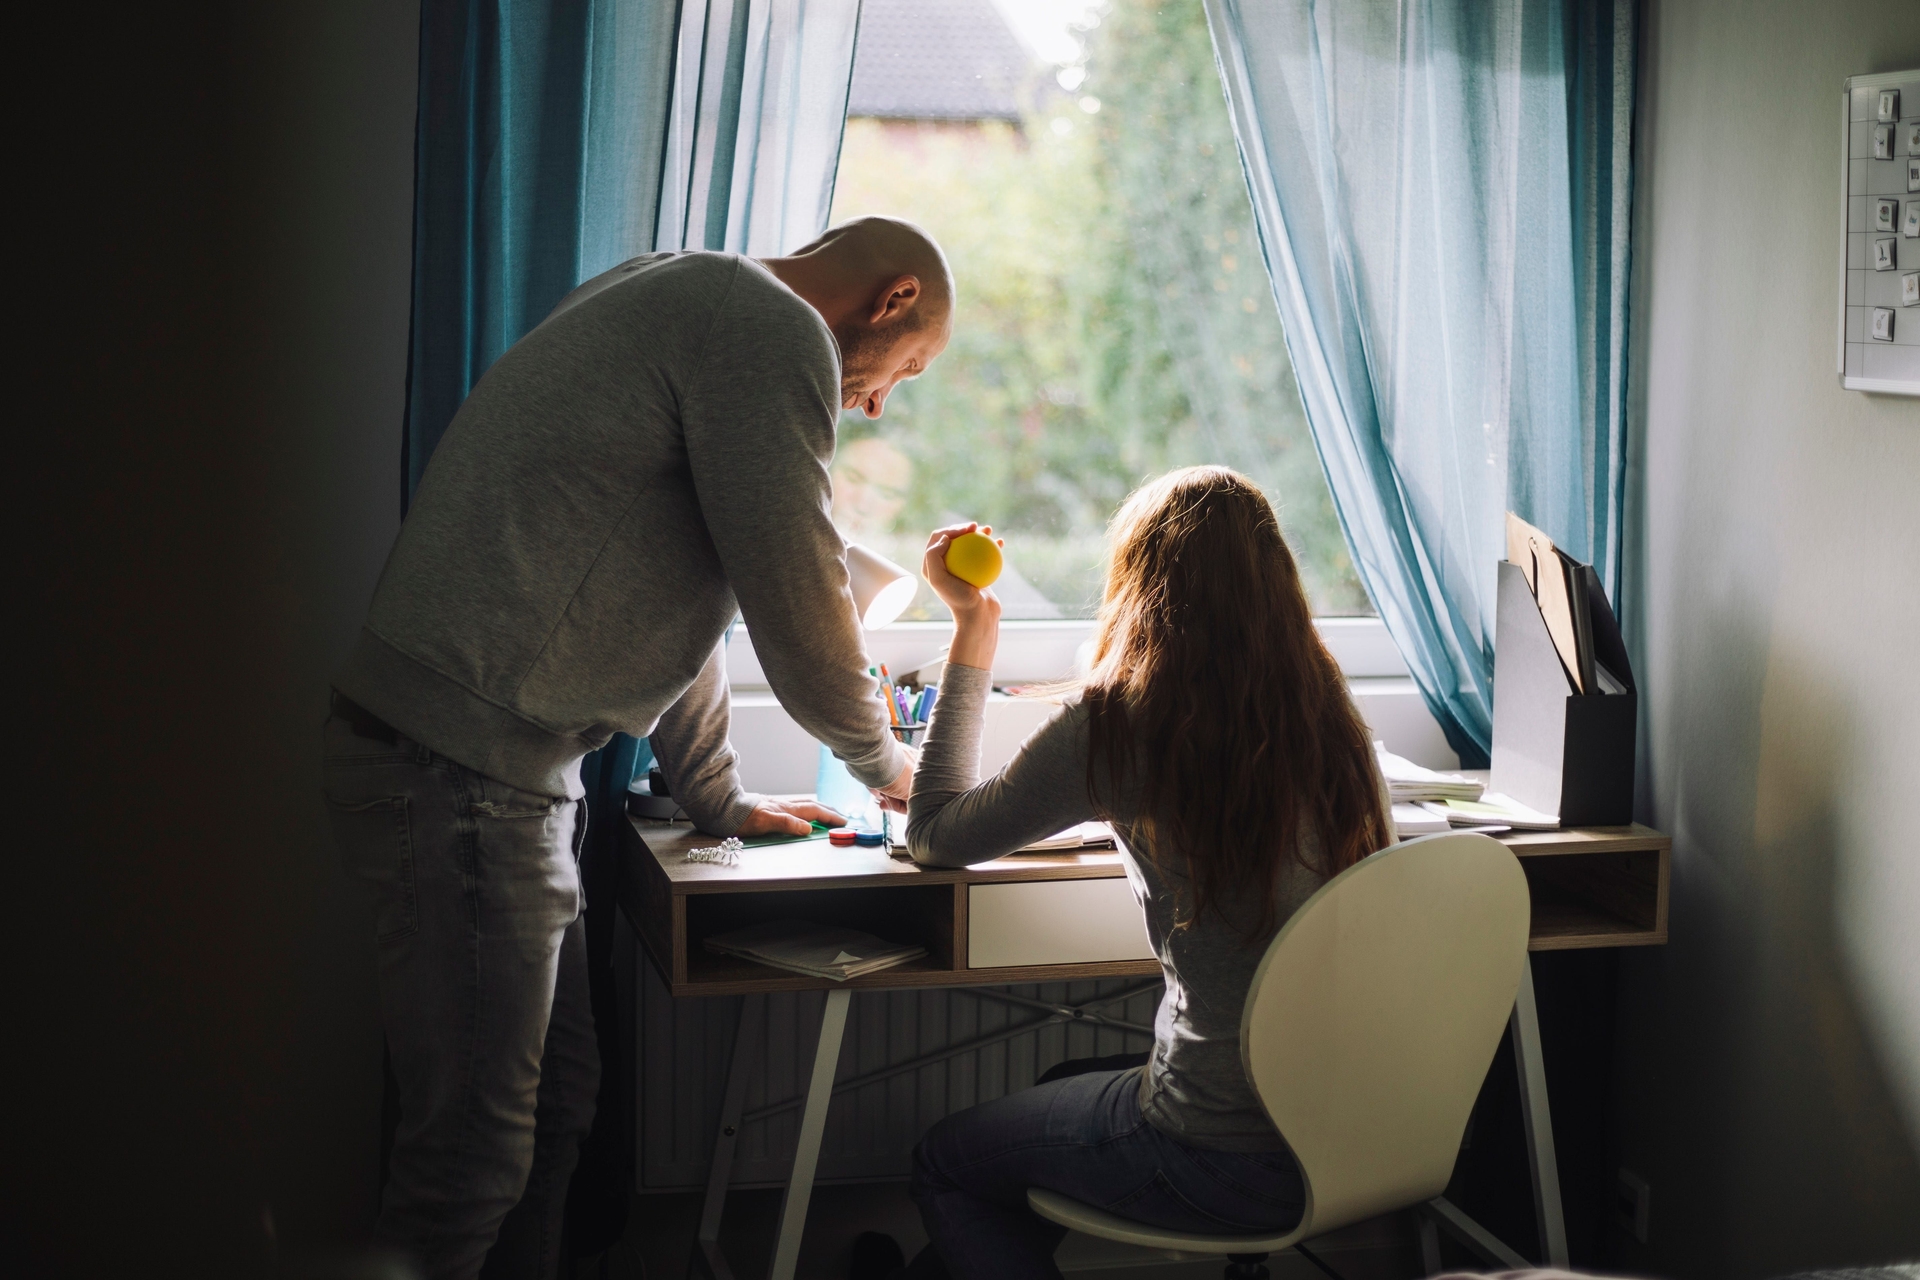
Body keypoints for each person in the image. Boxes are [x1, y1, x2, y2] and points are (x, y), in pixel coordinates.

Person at [322, 216, 952, 1280]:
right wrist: (900, 773)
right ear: (891, 300)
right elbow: (794, 593)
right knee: (469, 1163)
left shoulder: (675, 285)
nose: (883, 399)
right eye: (911, 367)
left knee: (559, 1110)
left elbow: (692, 582)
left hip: (490, 769)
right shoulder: (768, 329)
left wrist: (714, 793)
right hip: (462, 768)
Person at [896, 467, 1393, 1280]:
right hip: (1353, 1137)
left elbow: (934, 836)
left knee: (948, 1163)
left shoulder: (1119, 723)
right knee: (1066, 1080)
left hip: (1219, 1150)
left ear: (1140, 583)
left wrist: (972, 631)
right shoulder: (1332, 716)